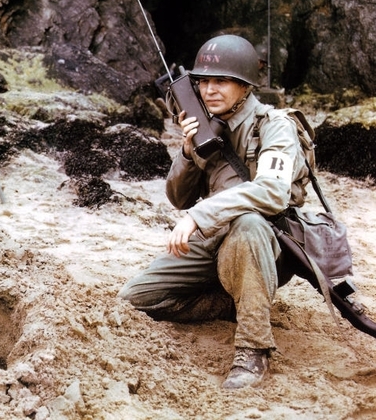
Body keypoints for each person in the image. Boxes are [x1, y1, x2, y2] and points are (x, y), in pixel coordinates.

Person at [118, 34, 310, 390]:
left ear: (244, 85)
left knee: (249, 224)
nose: (209, 90)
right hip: (215, 240)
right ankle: (230, 301)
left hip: (264, 245)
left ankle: (253, 349)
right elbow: (177, 198)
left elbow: (271, 192)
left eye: (220, 80)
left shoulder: (275, 126)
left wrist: (199, 216)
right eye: (203, 81)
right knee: (136, 298)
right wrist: (188, 154)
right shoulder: (206, 127)